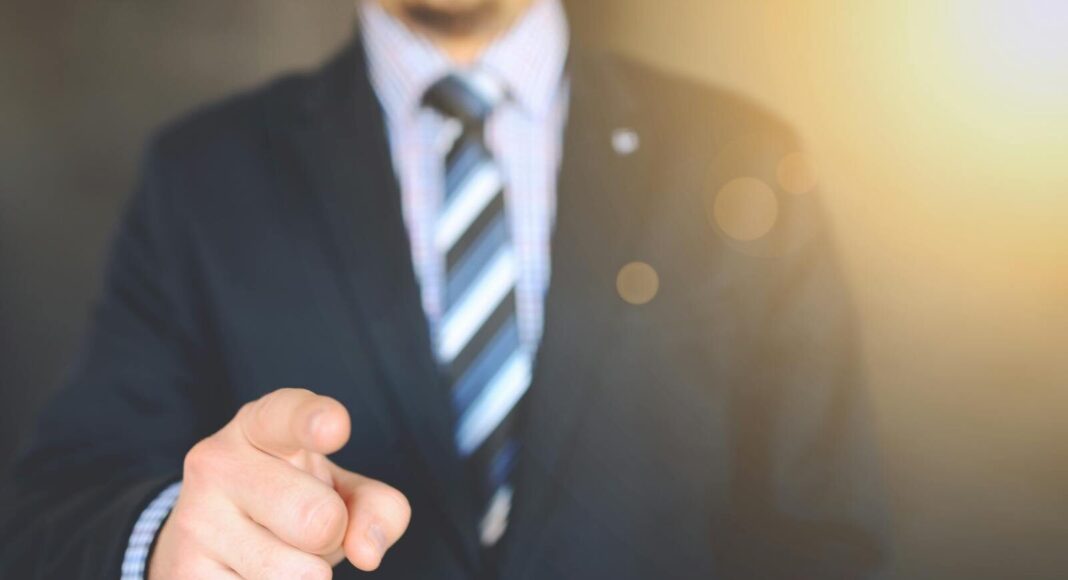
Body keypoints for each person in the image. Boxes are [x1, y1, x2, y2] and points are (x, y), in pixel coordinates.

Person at [0, 0, 888, 578]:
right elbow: (55, 512)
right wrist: (164, 543)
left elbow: (826, 536)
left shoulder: (740, 154)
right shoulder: (204, 176)